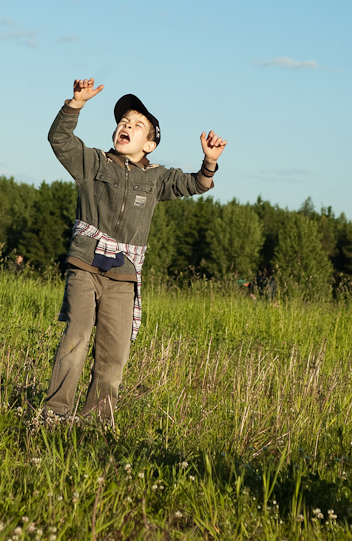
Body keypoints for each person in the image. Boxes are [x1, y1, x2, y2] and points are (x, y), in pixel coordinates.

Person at [44, 78, 227, 421]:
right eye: (123, 122)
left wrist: (209, 162)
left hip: (124, 275)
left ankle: (96, 423)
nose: (126, 126)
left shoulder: (157, 178)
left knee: (114, 355)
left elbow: (195, 184)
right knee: (77, 337)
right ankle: (55, 413)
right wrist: (75, 105)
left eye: (137, 124)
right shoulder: (94, 163)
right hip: (85, 265)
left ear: (151, 143)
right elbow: (60, 140)